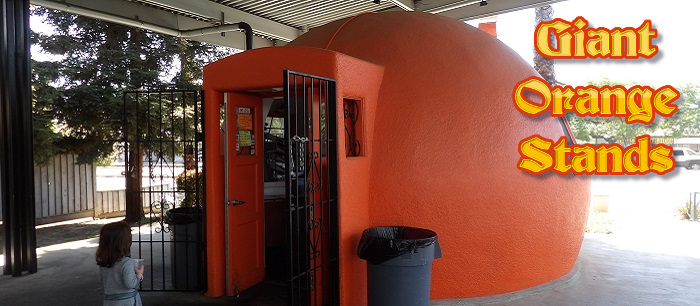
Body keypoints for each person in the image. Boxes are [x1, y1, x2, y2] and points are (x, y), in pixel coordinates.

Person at [96, 221, 144, 306]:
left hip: (109, 302)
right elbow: (131, 284)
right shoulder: (126, 262)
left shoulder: (104, 263)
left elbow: (103, 282)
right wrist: (139, 276)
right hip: (127, 302)